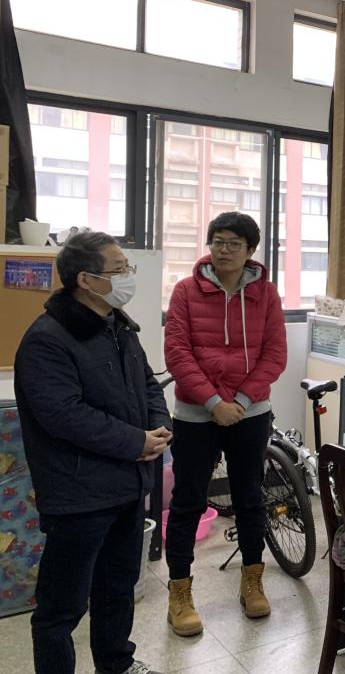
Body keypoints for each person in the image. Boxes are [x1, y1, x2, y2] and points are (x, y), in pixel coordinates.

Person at [14, 231, 171, 674]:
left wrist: (160, 428)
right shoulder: (48, 338)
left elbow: (148, 384)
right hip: (79, 493)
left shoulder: (119, 325)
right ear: (86, 279)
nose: (128, 276)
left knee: (118, 587)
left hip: (128, 485)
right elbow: (63, 415)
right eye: (119, 269)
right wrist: (135, 442)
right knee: (61, 607)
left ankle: (117, 664)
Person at [163, 212, 286, 636]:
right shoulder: (186, 291)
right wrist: (214, 402)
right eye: (217, 241)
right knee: (187, 501)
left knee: (250, 496)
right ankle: (180, 592)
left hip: (250, 413)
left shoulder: (266, 293)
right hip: (197, 414)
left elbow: (275, 353)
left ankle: (252, 580)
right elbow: (177, 353)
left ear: (250, 250)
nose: (224, 250)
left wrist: (243, 400)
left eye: (234, 243)